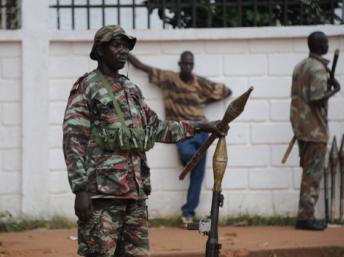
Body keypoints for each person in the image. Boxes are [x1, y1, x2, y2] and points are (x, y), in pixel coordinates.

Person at [63, 25, 225, 257]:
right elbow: (73, 139)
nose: (123, 50)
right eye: (116, 45)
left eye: (126, 46)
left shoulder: (132, 89)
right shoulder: (87, 87)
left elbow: (158, 128)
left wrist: (201, 127)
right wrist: (80, 189)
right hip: (102, 197)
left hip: (135, 196)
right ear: (99, 50)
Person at [128, 51, 232, 226]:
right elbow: (141, 66)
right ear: (180, 64)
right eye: (185, 64)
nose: (187, 67)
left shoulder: (200, 82)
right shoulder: (168, 79)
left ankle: (188, 213)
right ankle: (188, 163)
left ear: (193, 66)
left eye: (190, 64)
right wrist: (126, 52)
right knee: (188, 155)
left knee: (198, 175)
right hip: (182, 130)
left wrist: (202, 102)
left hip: (204, 129)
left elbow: (226, 92)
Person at [290, 31, 340, 231]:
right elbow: (317, 98)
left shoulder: (300, 66)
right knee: (313, 174)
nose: (328, 44)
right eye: (326, 42)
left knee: (308, 172)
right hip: (315, 129)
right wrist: (335, 88)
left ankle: (305, 215)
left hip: (301, 127)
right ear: (320, 45)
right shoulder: (318, 68)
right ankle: (305, 218)